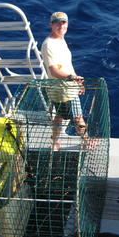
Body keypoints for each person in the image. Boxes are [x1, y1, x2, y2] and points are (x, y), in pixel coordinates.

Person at [41, 11, 87, 151]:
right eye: (57, 22)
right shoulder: (49, 44)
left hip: (62, 87)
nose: (61, 25)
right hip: (64, 89)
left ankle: (55, 143)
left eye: (63, 22)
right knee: (78, 117)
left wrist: (77, 81)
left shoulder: (61, 39)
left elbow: (66, 65)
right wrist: (71, 79)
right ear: (51, 24)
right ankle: (86, 140)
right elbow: (54, 70)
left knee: (59, 116)